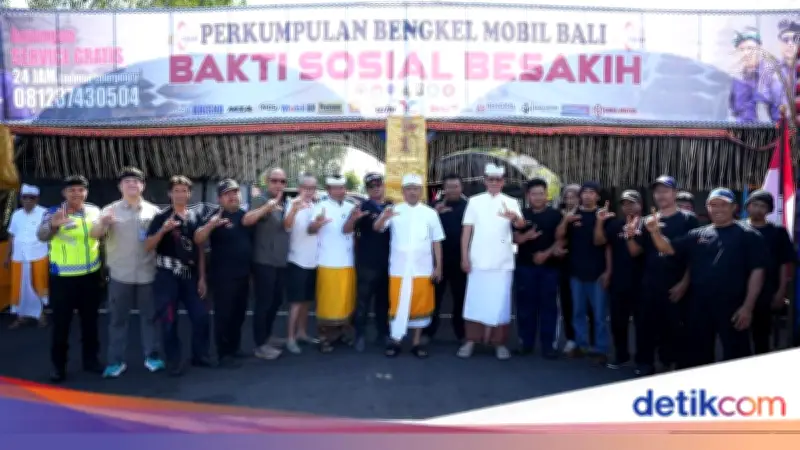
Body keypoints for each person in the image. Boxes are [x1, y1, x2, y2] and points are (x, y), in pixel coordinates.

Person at [642, 188, 766, 367]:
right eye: (713, 204)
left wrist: (747, 307)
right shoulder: (697, 234)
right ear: (707, 207)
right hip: (699, 306)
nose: (718, 209)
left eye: (723, 205)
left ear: (734, 207)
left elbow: (757, 272)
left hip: (733, 307)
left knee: (736, 357)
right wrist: (655, 232)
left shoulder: (749, 235)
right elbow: (667, 248)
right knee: (697, 357)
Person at [90, 167, 164, 378]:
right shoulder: (109, 210)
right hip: (120, 275)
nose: (132, 184)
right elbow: (94, 234)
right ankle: (116, 361)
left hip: (147, 273)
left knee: (150, 318)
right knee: (117, 320)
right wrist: (103, 223)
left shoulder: (153, 211)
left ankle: (152, 357)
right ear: (120, 186)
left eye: (136, 181)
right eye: (127, 181)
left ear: (143, 186)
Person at [626, 175, 698, 376]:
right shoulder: (646, 220)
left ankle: (669, 362)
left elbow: (694, 256)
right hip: (650, 283)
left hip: (676, 283)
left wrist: (684, 283)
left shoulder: (688, 219)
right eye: (657, 191)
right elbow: (635, 252)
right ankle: (645, 363)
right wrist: (630, 236)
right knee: (646, 326)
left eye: (665, 191)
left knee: (674, 328)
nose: (661, 195)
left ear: (675, 193)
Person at [37, 175, 103, 383]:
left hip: (90, 276)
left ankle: (91, 360)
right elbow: (41, 235)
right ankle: (58, 367)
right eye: (71, 190)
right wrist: (53, 226)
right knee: (61, 325)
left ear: (86, 192)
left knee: (90, 322)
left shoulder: (94, 211)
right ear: (64, 193)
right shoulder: (52, 212)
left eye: (80, 189)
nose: (76, 193)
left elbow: (99, 235)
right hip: (63, 279)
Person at [145, 176, 212, 376]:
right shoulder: (161, 217)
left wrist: (202, 278)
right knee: (169, 320)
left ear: (189, 194)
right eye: (176, 191)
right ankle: (174, 360)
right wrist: (163, 231)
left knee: (201, 316)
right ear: (169, 194)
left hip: (190, 275)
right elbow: (147, 246)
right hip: (167, 276)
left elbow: (200, 249)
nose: (180, 194)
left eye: (184, 191)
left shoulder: (195, 217)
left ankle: (200, 355)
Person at [458, 164, 526, 360]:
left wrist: (515, 218)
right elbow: (466, 232)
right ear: (485, 181)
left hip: (502, 261)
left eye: (498, 179)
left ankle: (499, 343)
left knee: (501, 304)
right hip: (477, 260)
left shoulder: (512, 202)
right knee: (475, 301)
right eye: (491, 179)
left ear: (503, 182)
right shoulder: (474, 201)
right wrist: (464, 257)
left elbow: (521, 225)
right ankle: (471, 340)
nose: (494, 182)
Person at [373, 174, 444, 358]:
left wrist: (438, 267)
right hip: (399, 268)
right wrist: (383, 217)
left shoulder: (430, 213)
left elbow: (437, 241)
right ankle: (396, 341)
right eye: (409, 189)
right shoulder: (394, 210)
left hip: (422, 268)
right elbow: (377, 228)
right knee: (398, 305)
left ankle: (416, 343)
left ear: (421, 191)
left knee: (420, 306)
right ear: (403, 192)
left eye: (416, 189)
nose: (412, 192)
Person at [194, 179, 254, 367]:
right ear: (220, 198)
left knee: (239, 314)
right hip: (223, 277)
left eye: (235, 192)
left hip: (243, 275)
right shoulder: (214, 216)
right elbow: (198, 239)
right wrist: (211, 225)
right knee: (224, 316)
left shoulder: (244, 216)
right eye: (227, 194)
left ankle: (234, 347)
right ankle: (223, 353)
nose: (232, 196)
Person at [556, 181, 611, 365]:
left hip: (597, 273)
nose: (587, 195)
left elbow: (601, 243)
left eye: (591, 192)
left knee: (599, 315)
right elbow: (559, 236)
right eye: (584, 192)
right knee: (577, 312)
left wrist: (599, 222)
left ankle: (601, 349)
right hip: (576, 273)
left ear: (598, 196)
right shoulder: (573, 215)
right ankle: (581, 345)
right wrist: (565, 220)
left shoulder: (604, 215)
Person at [513, 178, 564, 358]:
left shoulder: (556, 215)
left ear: (546, 195)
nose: (538, 197)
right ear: (528, 196)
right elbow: (513, 238)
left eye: (541, 193)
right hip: (525, 267)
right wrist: (526, 236)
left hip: (550, 268)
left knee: (549, 307)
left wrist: (546, 254)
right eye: (534, 194)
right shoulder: (521, 215)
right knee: (525, 307)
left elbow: (562, 239)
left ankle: (548, 346)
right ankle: (525, 343)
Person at [243, 168, 289, 361]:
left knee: (276, 301)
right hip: (264, 261)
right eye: (274, 180)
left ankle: (268, 336)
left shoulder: (284, 203)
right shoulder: (260, 200)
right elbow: (248, 220)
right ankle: (260, 345)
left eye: (282, 181)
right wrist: (268, 207)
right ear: (267, 182)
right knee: (263, 303)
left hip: (280, 262)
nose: (278, 184)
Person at [595, 191, 644, 369]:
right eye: (625, 204)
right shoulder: (616, 225)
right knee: (618, 322)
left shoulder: (648, 224)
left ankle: (642, 360)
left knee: (642, 324)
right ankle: (621, 355)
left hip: (642, 282)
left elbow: (637, 252)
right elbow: (603, 244)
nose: (628, 207)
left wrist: (631, 234)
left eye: (632, 203)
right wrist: (608, 271)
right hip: (618, 280)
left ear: (640, 204)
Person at [742, 189, 794, 354]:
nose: (758, 209)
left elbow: (784, 263)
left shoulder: (778, 232)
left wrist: (781, 291)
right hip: (738, 290)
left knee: (762, 336)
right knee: (738, 336)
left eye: (763, 206)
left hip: (767, 290)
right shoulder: (738, 229)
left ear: (769, 209)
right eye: (755, 205)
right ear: (747, 206)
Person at [308, 175, 356, 353]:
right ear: (328, 190)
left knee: (345, 301)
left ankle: (341, 333)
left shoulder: (351, 207)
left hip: (348, 262)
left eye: (342, 187)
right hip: (328, 262)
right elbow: (310, 229)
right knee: (328, 303)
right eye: (336, 188)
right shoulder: (320, 207)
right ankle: (324, 338)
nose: (340, 191)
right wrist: (317, 224)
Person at [344, 172, 391, 351]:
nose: (376, 188)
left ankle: (382, 334)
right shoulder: (362, 207)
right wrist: (353, 218)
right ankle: (360, 335)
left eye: (378, 184)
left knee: (383, 303)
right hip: (366, 264)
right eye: (371, 186)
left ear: (383, 185)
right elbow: (346, 229)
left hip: (386, 263)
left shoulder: (391, 206)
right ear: (367, 189)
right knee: (363, 302)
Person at [424, 174, 468, 344]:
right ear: (444, 189)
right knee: (434, 298)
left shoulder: (468, 207)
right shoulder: (433, 207)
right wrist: (436, 212)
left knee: (460, 298)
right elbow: (422, 228)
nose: (452, 190)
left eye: (455, 186)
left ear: (461, 188)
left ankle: (461, 333)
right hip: (437, 261)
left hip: (460, 260)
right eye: (449, 187)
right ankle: (428, 332)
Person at [283, 173, 321, 354]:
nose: (309, 191)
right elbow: (286, 226)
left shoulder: (315, 206)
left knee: (306, 301)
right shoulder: (292, 204)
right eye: (306, 188)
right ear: (299, 188)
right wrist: (294, 210)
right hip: (297, 261)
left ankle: (302, 333)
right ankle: (290, 338)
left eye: (312, 188)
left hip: (313, 262)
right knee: (296, 303)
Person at [5, 184, 48, 329]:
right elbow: (12, 236)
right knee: (20, 287)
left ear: (37, 199)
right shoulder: (16, 215)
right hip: (19, 257)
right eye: (25, 198)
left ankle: (40, 315)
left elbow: (50, 235)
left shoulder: (45, 213)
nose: (28, 201)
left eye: (32, 198)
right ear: (21, 199)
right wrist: (7, 256)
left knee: (38, 285)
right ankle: (21, 316)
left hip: (38, 256)